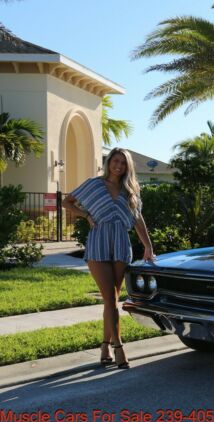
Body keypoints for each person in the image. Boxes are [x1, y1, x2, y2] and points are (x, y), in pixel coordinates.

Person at [62, 148, 154, 369]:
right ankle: (119, 346)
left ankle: (104, 346)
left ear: (127, 167)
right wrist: (86, 215)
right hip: (98, 244)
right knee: (111, 299)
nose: (118, 166)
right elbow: (66, 202)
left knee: (111, 300)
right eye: (115, 161)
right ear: (108, 162)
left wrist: (148, 247)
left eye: (123, 163)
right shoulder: (94, 184)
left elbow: (138, 220)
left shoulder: (130, 191)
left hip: (121, 245)